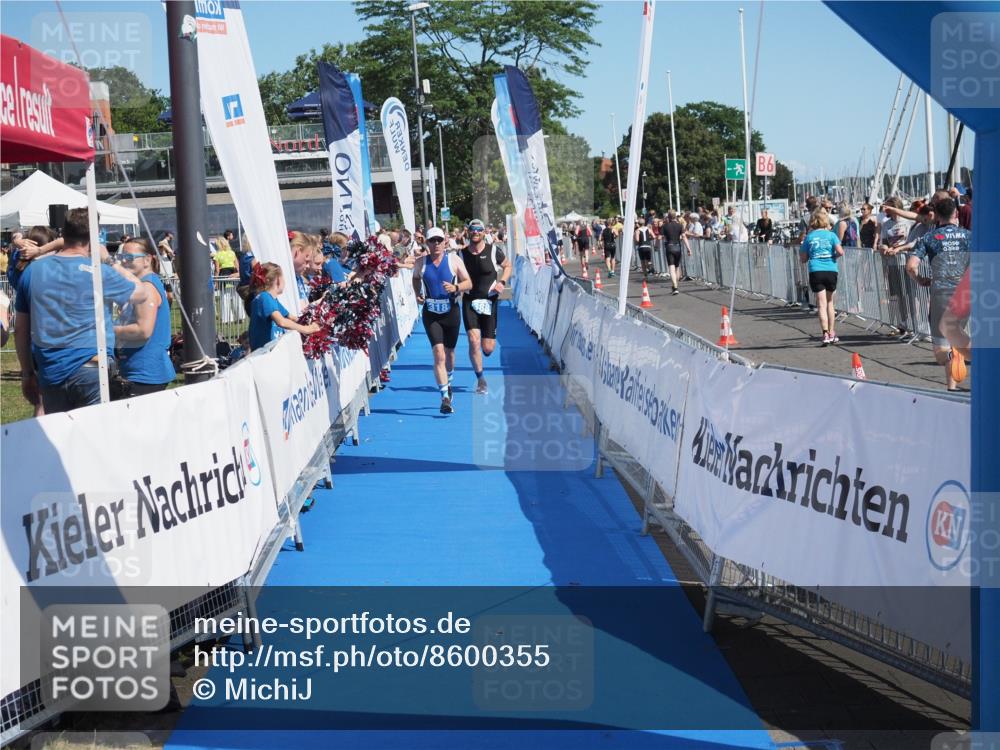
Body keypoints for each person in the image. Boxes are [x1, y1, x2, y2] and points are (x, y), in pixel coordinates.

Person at [14, 208, 148, 413]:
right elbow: (140, 293)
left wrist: (26, 373)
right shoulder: (99, 271)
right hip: (92, 369)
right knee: (95, 439)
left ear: (63, 233)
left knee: (58, 440)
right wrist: (110, 261)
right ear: (94, 237)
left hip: (51, 370)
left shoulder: (33, 271)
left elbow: (21, 329)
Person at [905, 197, 971, 391]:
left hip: (941, 292)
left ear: (936, 216)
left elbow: (910, 266)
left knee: (941, 349)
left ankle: (956, 358)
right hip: (966, 292)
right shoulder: (969, 236)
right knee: (956, 337)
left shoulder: (929, 238)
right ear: (956, 214)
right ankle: (952, 387)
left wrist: (921, 280)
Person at [411, 227, 472, 414]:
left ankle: (449, 380)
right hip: (431, 313)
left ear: (445, 241)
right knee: (439, 353)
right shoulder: (421, 262)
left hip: (451, 312)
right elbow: (415, 278)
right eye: (432, 241)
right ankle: (444, 397)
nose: (436, 244)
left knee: (450, 354)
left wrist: (456, 287)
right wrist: (417, 293)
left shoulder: (454, 260)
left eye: (439, 240)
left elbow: (469, 283)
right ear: (427, 243)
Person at [113, 238, 176, 396]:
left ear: (147, 259)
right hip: (138, 368)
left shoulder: (147, 287)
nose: (123, 261)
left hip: (145, 373)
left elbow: (143, 330)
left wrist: (106, 329)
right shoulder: (142, 285)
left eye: (129, 257)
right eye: (121, 257)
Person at [461, 218, 511, 394]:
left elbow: (508, 265)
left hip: (489, 302)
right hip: (469, 301)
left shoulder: (493, 251)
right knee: (473, 341)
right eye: (473, 230)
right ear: (468, 232)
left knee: (488, 349)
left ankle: (484, 357)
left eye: (479, 230)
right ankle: (481, 380)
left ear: (483, 232)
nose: (475, 232)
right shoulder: (461, 254)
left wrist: (502, 282)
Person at [247, 262, 320, 351]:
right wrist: (306, 329)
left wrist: (312, 322)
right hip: (264, 355)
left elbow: (292, 318)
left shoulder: (271, 299)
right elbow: (282, 322)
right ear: (278, 280)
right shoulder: (264, 297)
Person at [799, 208, 844, 345]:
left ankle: (825, 333)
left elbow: (803, 258)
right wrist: (832, 257)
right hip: (831, 269)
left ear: (813, 222)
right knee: (830, 303)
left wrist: (813, 255)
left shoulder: (810, 237)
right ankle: (832, 332)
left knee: (821, 304)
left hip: (816, 270)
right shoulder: (831, 235)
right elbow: (840, 252)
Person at [661, 211, 690, 294]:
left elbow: (661, 237)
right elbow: (684, 237)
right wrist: (689, 248)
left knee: (671, 267)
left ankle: (675, 287)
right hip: (678, 247)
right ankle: (675, 286)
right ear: (675, 217)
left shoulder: (665, 226)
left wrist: (656, 245)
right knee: (677, 267)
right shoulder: (680, 226)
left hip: (669, 247)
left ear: (668, 217)